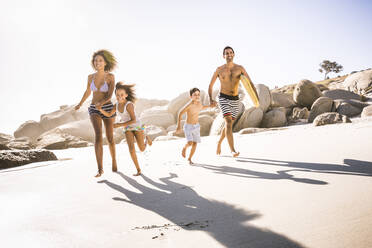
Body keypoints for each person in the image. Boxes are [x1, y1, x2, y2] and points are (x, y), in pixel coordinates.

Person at [75, 49, 117, 177]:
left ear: (105, 63)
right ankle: (100, 168)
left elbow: (110, 95)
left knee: (110, 138)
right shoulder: (90, 77)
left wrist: (102, 103)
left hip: (108, 107)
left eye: (100, 60)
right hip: (94, 108)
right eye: (95, 60)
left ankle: (114, 160)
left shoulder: (110, 77)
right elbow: (88, 91)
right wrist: (80, 103)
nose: (97, 62)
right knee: (98, 135)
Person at [208, 46, 257, 157]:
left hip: (235, 99)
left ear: (234, 54)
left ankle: (219, 142)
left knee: (228, 125)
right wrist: (211, 99)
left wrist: (256, 98)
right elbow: (210, 86)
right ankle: (232, 150)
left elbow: (250, 83)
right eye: (226, 53)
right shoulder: (219, 69)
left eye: (231, 52)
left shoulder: (240, 68)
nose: (229, 55)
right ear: (223, 56)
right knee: (229, 123)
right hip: (223, 98)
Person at [98, 82, 152, 176]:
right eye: (117, 95)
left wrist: (119, 125)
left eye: (122, 95)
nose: (119, 97)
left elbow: (133, 119)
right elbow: (109, 114)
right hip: (127, 128)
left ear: (126, 95)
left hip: (137, 126)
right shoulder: (116, 105)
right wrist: (100, 110)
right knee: (131, 149)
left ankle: (146, 138)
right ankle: (138, 169)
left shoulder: (129, 105)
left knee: (142, 149)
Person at [175, 88, 211, 164]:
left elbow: (202, 108)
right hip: (188, 127)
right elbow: (180, 113)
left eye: (198, 94)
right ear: (191, 96)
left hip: (196, 126)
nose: (197, 96)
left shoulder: (199, 103)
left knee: (195, 144)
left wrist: (210, 106)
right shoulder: (189, 105)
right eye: (195, 95)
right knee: (190, 143)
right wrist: (178, 126)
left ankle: (190, 159)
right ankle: (184, 148)